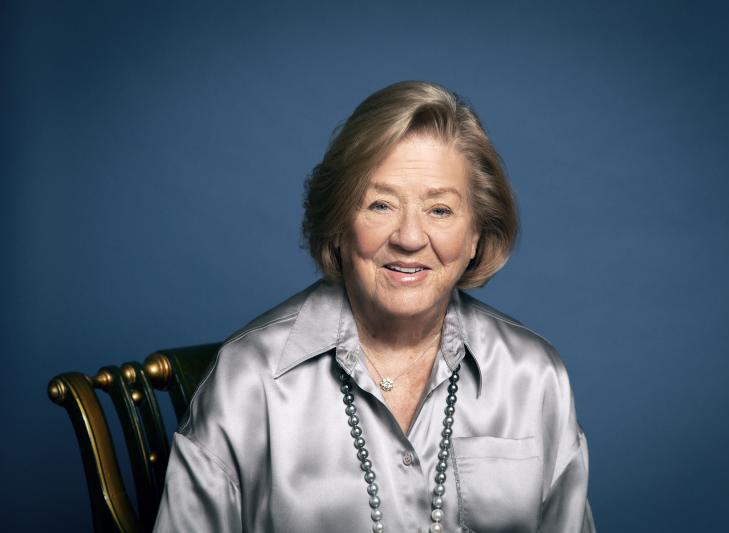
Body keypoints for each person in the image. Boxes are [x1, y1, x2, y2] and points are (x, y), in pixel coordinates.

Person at [154, 81, 595, 532]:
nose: (408, 237)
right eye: (380, 205)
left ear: (476, 234)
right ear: (340, 224)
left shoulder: (534, 375)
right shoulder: (248, 380)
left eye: (439, 210)